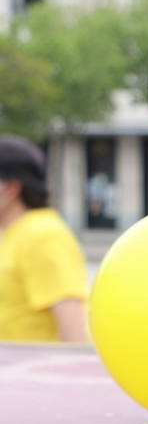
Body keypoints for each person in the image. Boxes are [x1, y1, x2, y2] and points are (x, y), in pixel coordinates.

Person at [0, 136, 88, 342]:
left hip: (30, 371)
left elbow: (72, 326)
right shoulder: (15, 233)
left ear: (11, 188)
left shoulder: (42, 235)